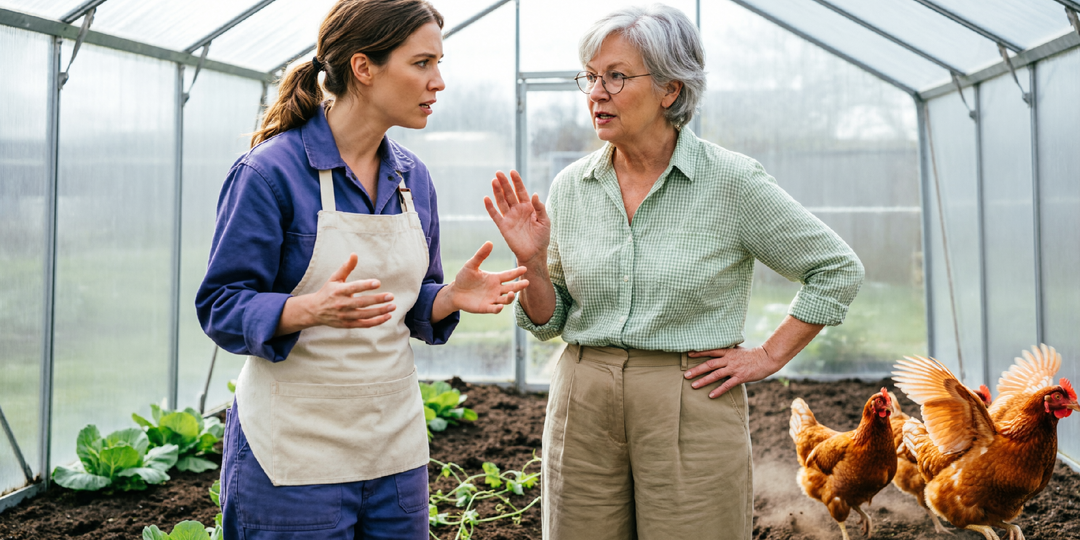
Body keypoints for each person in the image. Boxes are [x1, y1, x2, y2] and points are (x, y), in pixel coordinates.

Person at [484, 5, 864, 539]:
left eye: (615, 76)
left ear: (670, 89)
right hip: (583, 399)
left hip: (692, 397)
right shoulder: (571, 186)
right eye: (590, 77)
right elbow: (552, 320)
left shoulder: (731, 182)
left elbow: (835, 268)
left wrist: (768, 355)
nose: (596, 92)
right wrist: (531, 262)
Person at [195, 1, 528, 538]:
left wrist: (447, 298)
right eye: (422, 63)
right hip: (293, 459)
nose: (438, 82)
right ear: (364, 68)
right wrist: (308, 308)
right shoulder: (269, 173)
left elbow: (405, 302)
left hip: (393, 450)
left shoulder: (411, 177)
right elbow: (221, 305)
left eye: (438, 63)